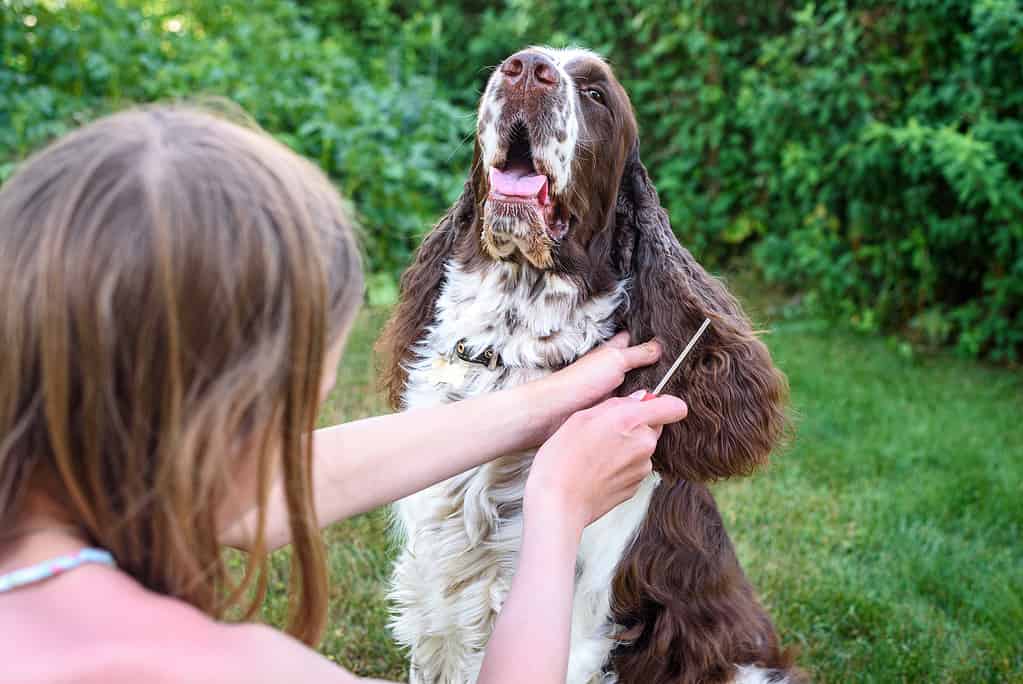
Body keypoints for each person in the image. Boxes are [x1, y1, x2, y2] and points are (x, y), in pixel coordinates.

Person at [0, 106, 687, 683]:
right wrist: (557, 510)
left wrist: (540, 404)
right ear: (243, 402)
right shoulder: (225, 668)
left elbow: (253, 497)